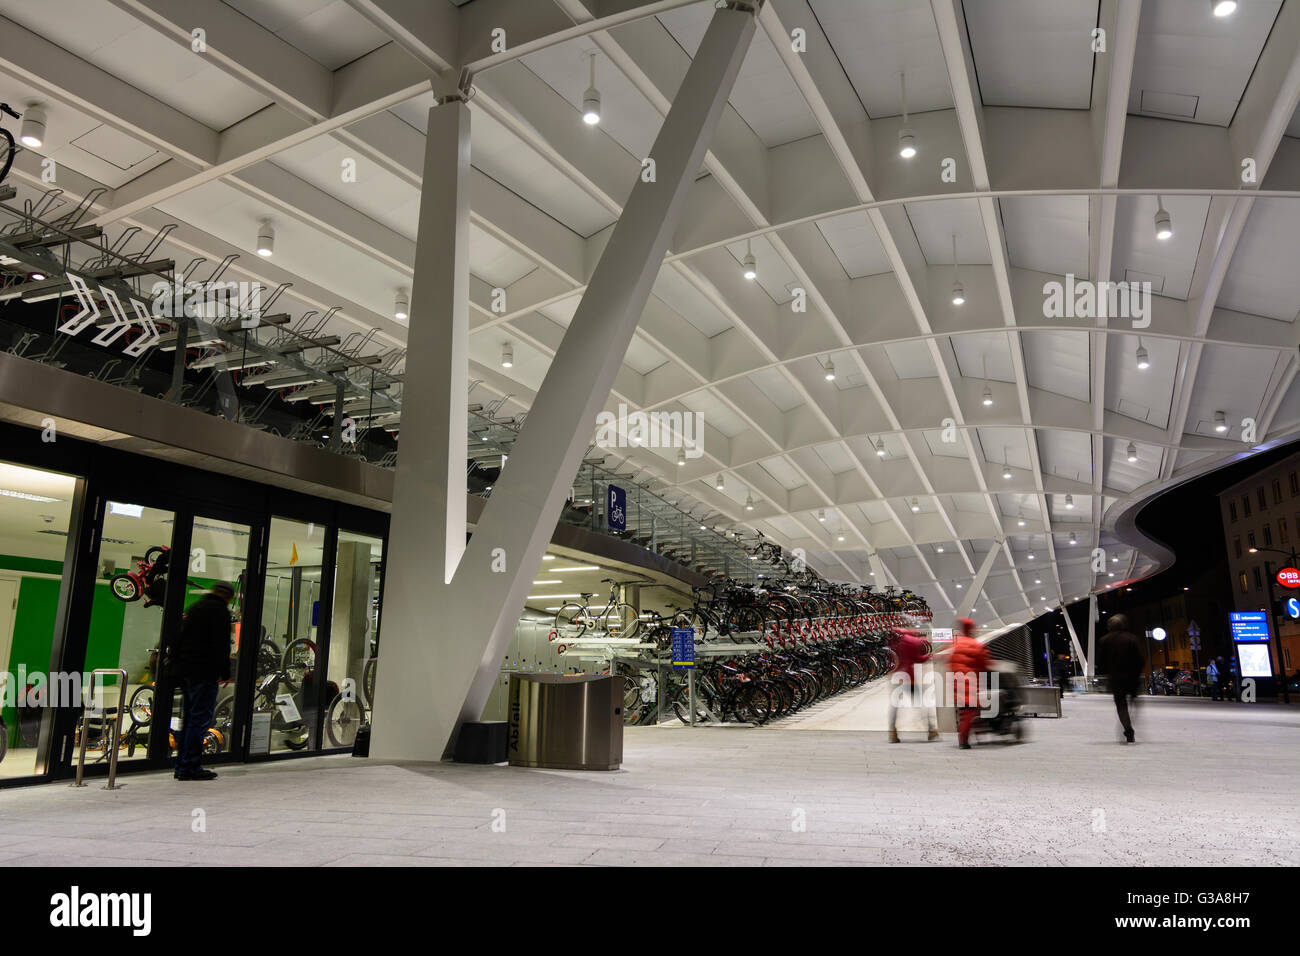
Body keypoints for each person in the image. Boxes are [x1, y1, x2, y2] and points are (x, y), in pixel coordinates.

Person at [169, 582, 234, 780]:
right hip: (204, 672)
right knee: (199, 719)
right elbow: (221, 644)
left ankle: (181, 766)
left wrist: (175, 663)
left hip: (186, 672)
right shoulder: (220, 612)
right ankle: (191, 766)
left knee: (188, 719)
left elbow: (177, 637)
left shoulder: (196, 608)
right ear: (228, 596)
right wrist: (225, 672)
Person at [1097, 614, 1145, 743]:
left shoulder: (1104, 640)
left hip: (1115, 679)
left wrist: (1107, 673)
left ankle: (1128, 730)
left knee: (1121, 705)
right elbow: (1140, 660)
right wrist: (1136, 674)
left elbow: (1101, 662)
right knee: (1132, 702)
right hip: (1131, 678)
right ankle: (1130, 721)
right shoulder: (1132, 639)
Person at [887, 628, 938, 743]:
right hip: (909, 678)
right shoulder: (912, 641)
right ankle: (931, 730)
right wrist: (929, 656)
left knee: (894, 705)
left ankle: (892, 732)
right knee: (923, 703)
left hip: (896, 677)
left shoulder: (894, 642)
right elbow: (917, 659)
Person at [949, 617, 993, 750]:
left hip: (958, 683)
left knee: (965, 713)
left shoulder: (956, 645)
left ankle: (977, 733)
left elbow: (951, 663)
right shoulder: (975, 644)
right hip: (970, 684)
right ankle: (963, 741)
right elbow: (984, 663)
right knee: (970, 713)